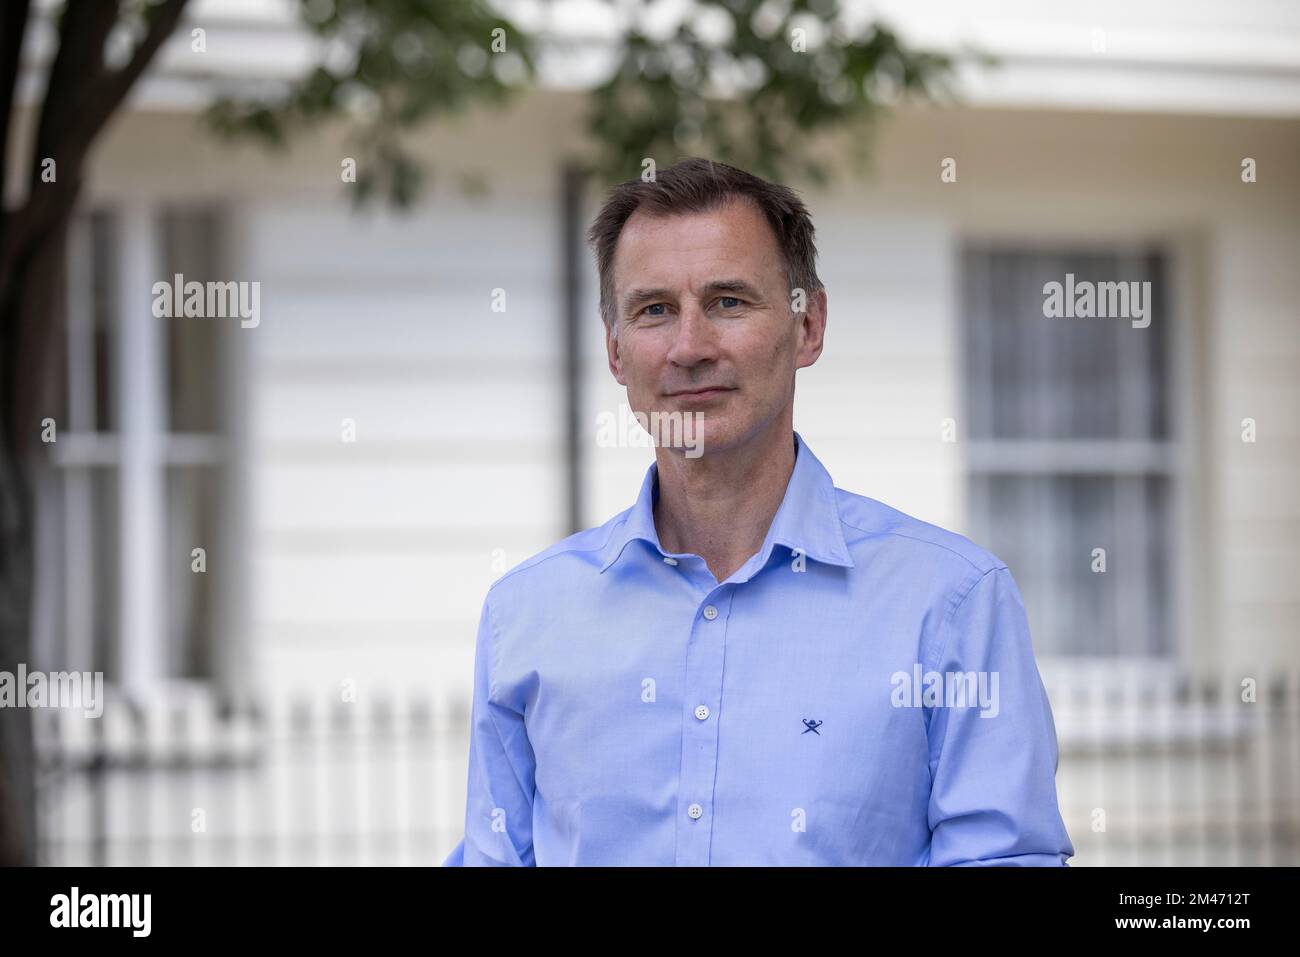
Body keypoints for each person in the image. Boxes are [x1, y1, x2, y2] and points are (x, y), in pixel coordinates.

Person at [442, 157, 1073, 866]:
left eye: (729, 302)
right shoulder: (525, 615)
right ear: (617, 351)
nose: (689, 347)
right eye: (654, 310)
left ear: (808, 326)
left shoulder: (952, 605)